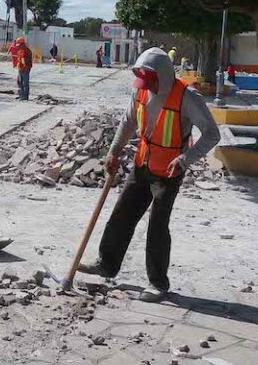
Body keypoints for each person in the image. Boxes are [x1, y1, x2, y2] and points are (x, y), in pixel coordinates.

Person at [78, 47, 221, 303]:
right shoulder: (141, 89)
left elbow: (212, 134)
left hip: (169, 172)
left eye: (150, 81)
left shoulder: (187, 97)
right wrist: (114, 151)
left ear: (163, 76)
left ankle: (158, 283)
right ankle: (107, 265)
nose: (146, 87)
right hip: (142, 164)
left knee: (157, 226)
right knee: (121, 215)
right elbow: (128, 121)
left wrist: (185, 159)